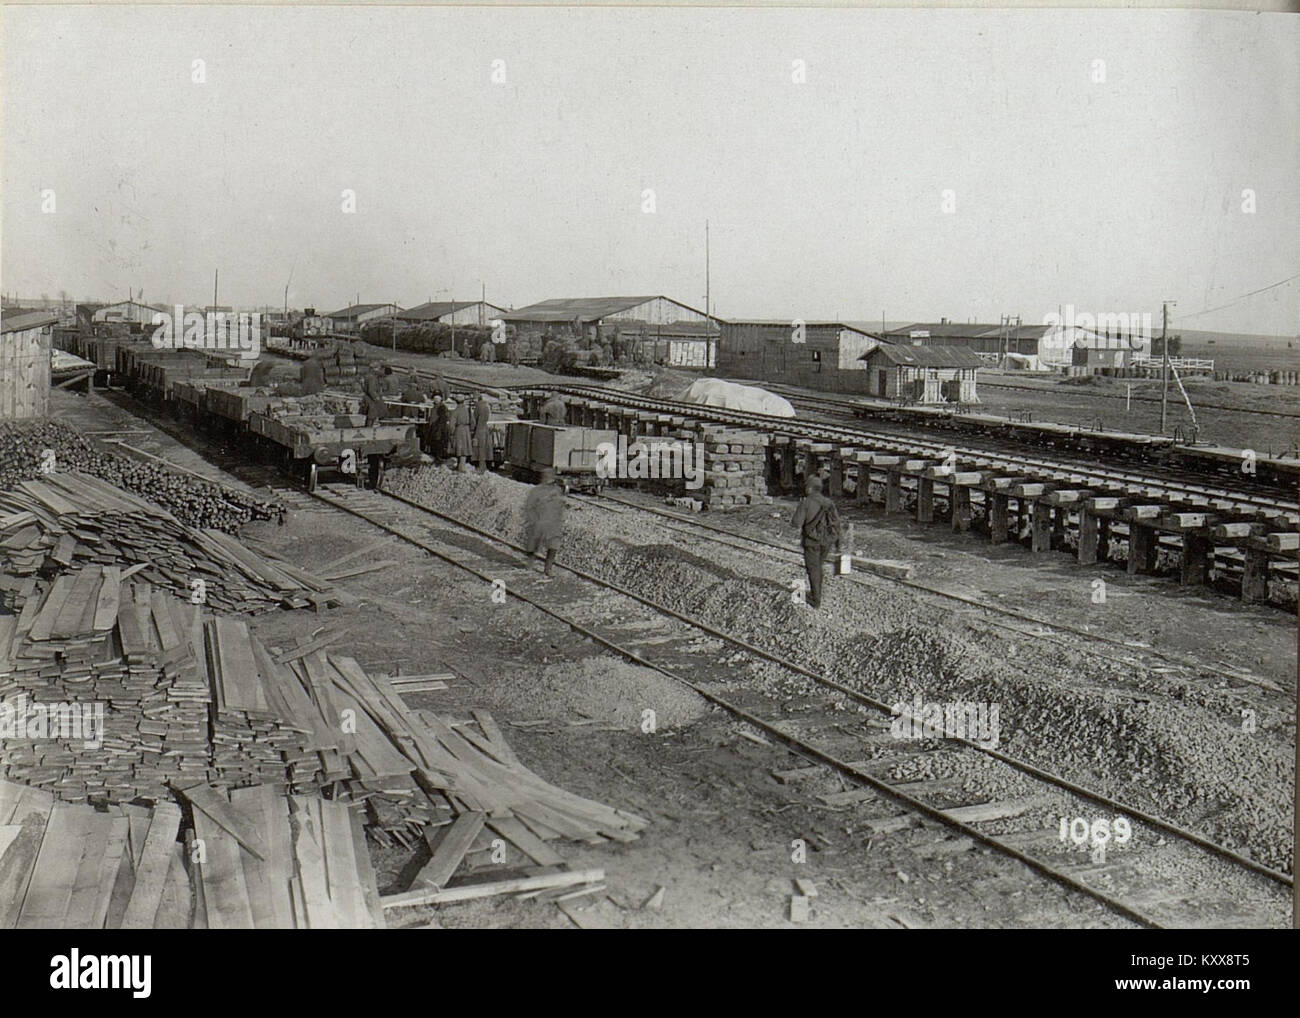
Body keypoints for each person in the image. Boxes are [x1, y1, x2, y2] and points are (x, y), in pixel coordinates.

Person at [790, 475, 841, 609]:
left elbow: (796, 523)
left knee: (813, 569)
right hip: (827, 542)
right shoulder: (829, 503)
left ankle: (815, 600)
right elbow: (836, 523)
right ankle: (816, 593)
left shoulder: (806, 502)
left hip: (812, 541)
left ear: (810, 488)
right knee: (818, 566)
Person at [523, 468, 565, 578]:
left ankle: (548, 569)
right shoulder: (536, 491)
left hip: (552, 523)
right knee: (533, 544)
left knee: (554, 545)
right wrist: (533, 520)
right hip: (539, 522)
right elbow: (529, 507)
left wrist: (559, 520)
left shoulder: (557, 491)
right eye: (547, 478)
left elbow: (560, 506)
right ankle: (530, 563)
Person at [449, 398, 472, 471]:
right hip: (466, 430)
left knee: (459, 448)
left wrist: (451, 433)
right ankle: (461, 465)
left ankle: (461, 467)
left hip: (459, 430)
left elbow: (451, 424)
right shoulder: (467, 410)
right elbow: (473, 421)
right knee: (464, 447)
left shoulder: (455, 411)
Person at [473, 392, 493, 473]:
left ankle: (481, 467)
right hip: (485, 428)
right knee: (485, 448)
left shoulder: (478, 407)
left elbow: (474, 419)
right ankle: (485, 466)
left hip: (479, 429)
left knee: (479, 448)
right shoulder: (486, 406)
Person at [426, 395, 449, 463]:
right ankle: (435, 456)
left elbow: (444, 418)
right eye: (435, 398)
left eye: (437, 399)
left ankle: (438, 457)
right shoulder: (434, 406)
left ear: (441, 399)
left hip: (438, 427)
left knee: (438, 442)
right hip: (433, 426)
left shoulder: (442, 407)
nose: (436, 400)